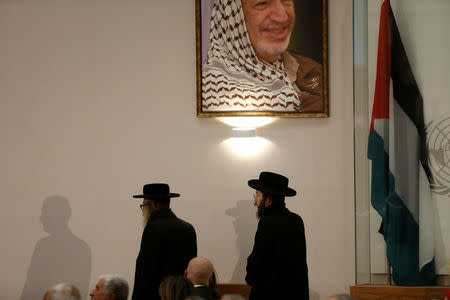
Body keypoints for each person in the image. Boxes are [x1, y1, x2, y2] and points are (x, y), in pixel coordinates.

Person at [202, 0, 323, 113]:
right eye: (262, 3)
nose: (282, 17)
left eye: (285, 0)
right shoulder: (210, 89)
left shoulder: (312, 70)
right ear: (231, 18)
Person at [246, 171, 309, 300]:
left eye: (257, 194)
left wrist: (250, 275)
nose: (255, 200)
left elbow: (258, 260)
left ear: (267, 199)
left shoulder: (267, 221)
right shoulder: (296, 220)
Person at [132, 183, 198, 300]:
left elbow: (144, 273)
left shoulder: (153, 228)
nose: (143, 212)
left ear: (154, 205)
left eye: (143, 206)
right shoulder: (188, 228)